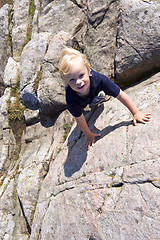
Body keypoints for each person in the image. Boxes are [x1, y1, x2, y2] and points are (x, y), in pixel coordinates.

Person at [58, 47, 151, 149]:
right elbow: (79, 118)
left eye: (81, 75)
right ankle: (94, 99)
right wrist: (88, 134)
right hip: (80, 101)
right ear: (67, 82)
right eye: (72, 79)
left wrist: (136, 113)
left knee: (99, 94)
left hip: (95, 89)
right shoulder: (71, 98)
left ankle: (100, 96)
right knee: (84, 105)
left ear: (89, 71)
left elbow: (120, 94)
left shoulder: (100, 80)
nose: (78, 82)